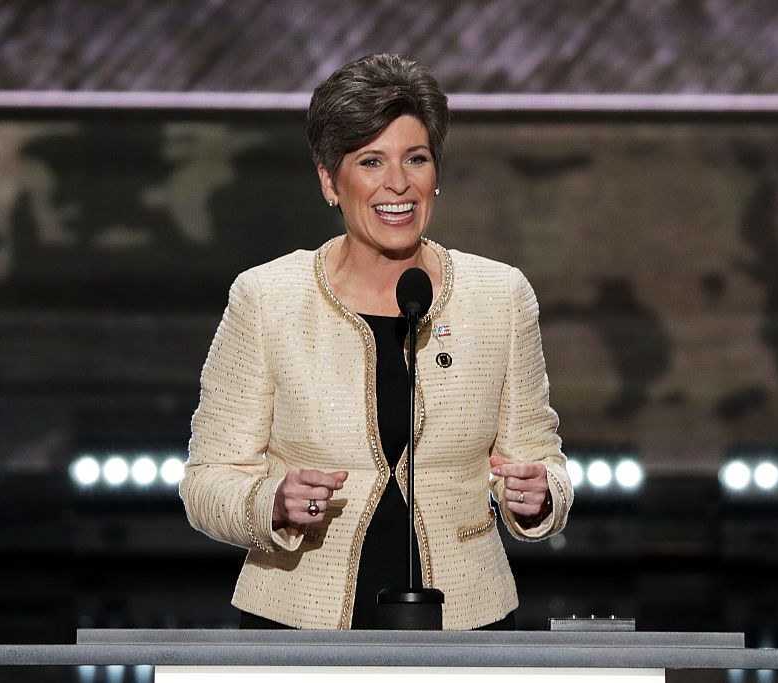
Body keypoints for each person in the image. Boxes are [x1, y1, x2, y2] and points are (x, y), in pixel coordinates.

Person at [180, 53, 572, 630]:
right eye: (371, 161)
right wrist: (274, 503)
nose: (399, 183)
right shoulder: (268, 298)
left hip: (466, 617)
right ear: (329, 181)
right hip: (298, 620)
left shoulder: (500, 296)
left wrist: (541, 495)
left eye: (416, 158)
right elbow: (207, 480)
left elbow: (541, 458)